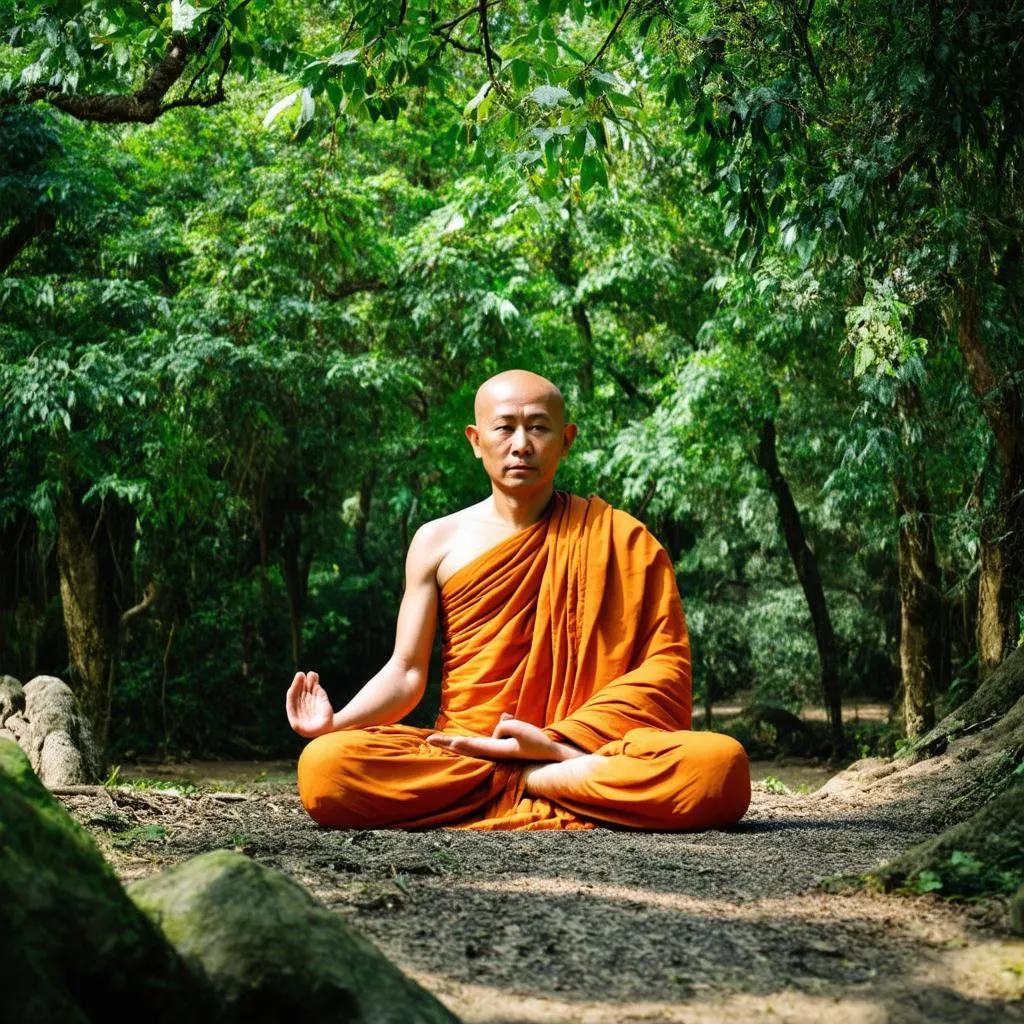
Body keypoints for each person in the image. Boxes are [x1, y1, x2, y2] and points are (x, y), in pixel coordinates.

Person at [286, 369, 750, 831]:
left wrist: (558, 742)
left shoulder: (619, 539)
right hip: (467, 754)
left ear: (566, 439)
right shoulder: (437, 540)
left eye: (539, 427)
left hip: (579, 747)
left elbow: (662, 670)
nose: (521, 444)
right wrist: (336, 723)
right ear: (475, 439)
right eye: (505, 427)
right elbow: (407, 672)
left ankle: (543, 770)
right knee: (326, 767)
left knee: (718, 767)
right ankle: (549, 780)